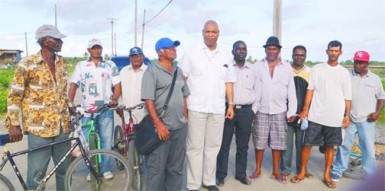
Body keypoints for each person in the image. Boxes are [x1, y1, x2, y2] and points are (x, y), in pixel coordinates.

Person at [5, 24, 71, 190]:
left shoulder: (62, 62)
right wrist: (13, 123)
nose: (60, 42)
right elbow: (15, 95)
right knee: (37, 174)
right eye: (57, 39)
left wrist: (71, 108)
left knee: (65, 170)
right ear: (45, 41)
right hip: (39, 129)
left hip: (63, 128)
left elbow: (62, 92)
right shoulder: (27, 64)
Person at [179, 20, 236, 191]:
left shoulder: (225, 55)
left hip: (218, 109)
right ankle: (193, 184)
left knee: (213, 146)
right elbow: (183, 81)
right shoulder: (191, 53)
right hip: (196, 107)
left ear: (218, 33)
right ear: (202, 32)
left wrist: (231, 105)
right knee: (194, 147)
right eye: (207, 31)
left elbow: (229, 82)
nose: (210, 34)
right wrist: (184, 106)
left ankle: (209, 181)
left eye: (213, 32)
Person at [291, 40, 352, 189]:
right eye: (331, 50)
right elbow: (310, 90)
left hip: (335, 117)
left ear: (340, 53)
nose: (333, 53)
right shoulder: (317, 69)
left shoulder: (344, 72)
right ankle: (302, 172)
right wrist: (305, 109)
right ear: (327, 51)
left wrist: (346, 115)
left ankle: (326, 175)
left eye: (336, 51)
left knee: (330, 147)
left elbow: (347, 97)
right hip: (316, 115)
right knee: (307, 145)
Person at [68, 38, 121, 179]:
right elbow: (73, 84)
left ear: (102, 49)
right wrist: (70, 103)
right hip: (86, 111)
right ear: (89, 50)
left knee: (106, 139)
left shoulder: (110, 64)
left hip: (105, 109)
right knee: (86, 142)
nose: (97, 50)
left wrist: (115, 99)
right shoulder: (81, 65)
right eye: (94, 48)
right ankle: (91, 171)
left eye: (99, 48)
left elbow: (117, 85)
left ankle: (105, 169)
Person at [141, 37, 189, 191]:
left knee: (176, 169)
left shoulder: (178, 71)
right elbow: (149, 100)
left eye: (174, 47)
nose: (174, 49)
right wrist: (158, 124)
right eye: (170, 48)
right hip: (161, 130)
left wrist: (185, 118)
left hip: (179, 128)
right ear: (160, 52)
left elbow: (184, 96)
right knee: (157, 170)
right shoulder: (152, 71)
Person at [331, 50, 385, 182]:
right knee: (344, 146)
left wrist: (377, 112)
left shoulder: (375, 79)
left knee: (368, 148)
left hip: (367, 120)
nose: (357, 65)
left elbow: (382, 97)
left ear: (367, 64)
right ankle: (338, 170)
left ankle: (370, 173)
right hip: (349, 118)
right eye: (356, 62)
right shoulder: (347, 75)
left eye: (361, 63)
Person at [250, 36, 297, 184]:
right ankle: (257, 169)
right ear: (265, 50)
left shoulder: (286, 67)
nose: (271, 51)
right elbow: (252, 87)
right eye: (269, 48)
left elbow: (292, 91)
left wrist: (291, 111)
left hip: (280, 110)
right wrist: (252, 110)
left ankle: (276, 171)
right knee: (259, 141)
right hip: (261, 109)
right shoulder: (257, 66)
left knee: (278, 142)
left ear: (279, 50)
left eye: (274, 48)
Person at [216, 41, 258, 186]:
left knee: (243, 145)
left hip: (246, 111)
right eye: (238, 49)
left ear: (246, 51)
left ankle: (241, 174)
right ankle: (220, 175)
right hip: (228, 109)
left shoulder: (252, 69)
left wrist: (253, 111)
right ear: (233, 51)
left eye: (243, 48)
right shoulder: (226, 67)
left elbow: (257, 91)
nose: (241, 51)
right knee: (224, 144)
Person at [279, 45, 312, 179]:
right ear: (292, 55)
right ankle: (285, 169)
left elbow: (312, 92)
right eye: (296, 55)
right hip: (288, 114)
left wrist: (307, 110)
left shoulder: (310, 71)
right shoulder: (286, 69)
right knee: (286, 144)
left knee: (302, 144)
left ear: (305, 56)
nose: (299, 57)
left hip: (303, 115)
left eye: (302, 55)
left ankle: (301, 169)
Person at [117, 47, 148, 123]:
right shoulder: (123, 71)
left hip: (144, 114)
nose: (136, 58)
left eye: (138, 56)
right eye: (133, 56)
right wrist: (119, 105)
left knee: (144, 134)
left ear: (143, 57)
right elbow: (119, 89)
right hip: (127, 113)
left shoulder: (149, 71)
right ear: (129, 58)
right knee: (128, 134)